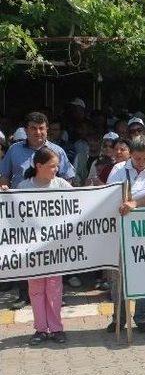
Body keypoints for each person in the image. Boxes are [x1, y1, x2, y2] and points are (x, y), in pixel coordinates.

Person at [0, 112, 75, 310]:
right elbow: (4, 175)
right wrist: (4, 192)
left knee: (53, 254)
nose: (37, 132)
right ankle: (25, 295)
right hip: (21, 214)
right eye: (33, 128)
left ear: (47, 129)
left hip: (52, 216)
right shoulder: (15, 150)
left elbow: (69, 179)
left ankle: (56, 295)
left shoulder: (57, 150)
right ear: (26, 130)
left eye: (41, 128)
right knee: (25, 253)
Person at [4, 147, 71, 345]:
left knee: (54, 289)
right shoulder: (24, 186)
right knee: (35, 290)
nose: (56, 170)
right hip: (32, 249)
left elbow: (79, 206)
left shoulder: (62, 184)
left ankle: (57, 328)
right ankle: (41, 329)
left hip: (55, 247)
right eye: (52, 166)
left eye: (57, 166)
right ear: (39, 166)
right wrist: (6, 196)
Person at [105, 136, 145, 333]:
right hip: (122, 228)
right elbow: (109, 193)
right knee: (118, 275)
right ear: (130, 154)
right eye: (137, 158)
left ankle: (142, 317)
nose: (140, 163)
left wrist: (135, 203)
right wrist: (127, 202)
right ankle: (119, 317)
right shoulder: (118, 169)